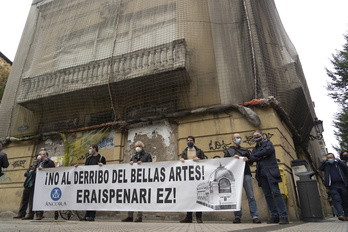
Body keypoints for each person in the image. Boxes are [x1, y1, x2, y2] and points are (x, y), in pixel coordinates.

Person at [248, 130, 289, 224]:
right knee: (267, 195)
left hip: (271, 173)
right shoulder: (255, 148)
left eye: (257, 135)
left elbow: (267, 151)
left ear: (262, 136)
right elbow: (252, 158)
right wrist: (262, 156)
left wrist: (257, 156)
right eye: (254, 136)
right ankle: (275, 216)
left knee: (276, 193)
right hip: (261, 174)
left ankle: (283, 216)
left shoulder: (269, 143)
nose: (256, 137)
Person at [224, 133, 261, 224]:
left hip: (246, 174)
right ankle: (237, 216)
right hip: (234, 176)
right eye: (237, 137)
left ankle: (255, 216)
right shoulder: (228, 151)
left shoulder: (245, 150)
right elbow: (225, 163)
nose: (239, 139)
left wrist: (247, 160)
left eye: (240, 137)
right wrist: (232, 159)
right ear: (233, 139)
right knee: (236, 197)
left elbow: (251, 162)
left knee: (251, 196)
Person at [122, 141, 152, 223]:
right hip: (133, 180)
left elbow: (151, 166)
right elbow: (130, 166)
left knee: (140, 198)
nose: (137, 147)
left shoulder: (147, 155)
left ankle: (139, 217)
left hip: (142, 180)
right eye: (136, 146)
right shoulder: (134, 156)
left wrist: (143, 164)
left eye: (139, 146)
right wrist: (131, 163)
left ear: (142, 147)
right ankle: (130, 216)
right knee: (131, 197)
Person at [179, 136, 206, 224]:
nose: (189, 142)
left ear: (194, 142)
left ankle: (199, 217)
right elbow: (182, 163)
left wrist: (200, 159)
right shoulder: (184, 152)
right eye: (188, 141)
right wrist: (182, 160)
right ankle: (189, 217)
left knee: (198, 196)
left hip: (197, 177)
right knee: (188, 197)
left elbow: (205, 161)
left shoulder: (199, 151)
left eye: (191, 141)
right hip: (188, 178)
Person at [76, 144, 106, 221]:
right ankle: (87, 215)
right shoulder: (88, 159)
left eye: (90, 148)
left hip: (96, 183)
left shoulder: (101, 158)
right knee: (88, 198)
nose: (89, 149)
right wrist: (78, 167)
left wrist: (102, 166)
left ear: (94, 149)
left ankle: (92, 215)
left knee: (93, 198)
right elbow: (85, 169)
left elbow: (106, 169)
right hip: (88, 182)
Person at [318, 153, 348, 221]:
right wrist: (323, 161)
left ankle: (347, 215)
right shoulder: (326, 165)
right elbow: (320, 168)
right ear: (327, 159)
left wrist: (339, 160)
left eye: (331, 157)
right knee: (336, 200)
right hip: (333, 186)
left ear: (334, 158)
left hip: (342, 184)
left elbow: (346, 168)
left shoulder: (339, 164)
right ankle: (341, 215)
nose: (330, 159)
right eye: (328, 158)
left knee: (345, 200)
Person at [13, 154, 41, 220]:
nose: (36, 160)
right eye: (36, 158)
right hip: (28, 184)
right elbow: (25, 174)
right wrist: (29, 172)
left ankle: (32, 214)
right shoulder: (32, 166)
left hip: (34, 184)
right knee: (24, 199)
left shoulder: (40, 166)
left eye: (37, 158)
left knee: (32, 200)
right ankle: (21, 213)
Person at [36, 150, 55, 220]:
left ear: (44, 155)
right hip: (39, 183)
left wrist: (43, 169)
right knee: (39, 198)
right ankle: (39, 214)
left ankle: (42, 213)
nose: (38, 156)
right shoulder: (38, 163)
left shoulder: (50, 162)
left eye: (39, 154)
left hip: (46, 183)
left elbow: (52, 171)